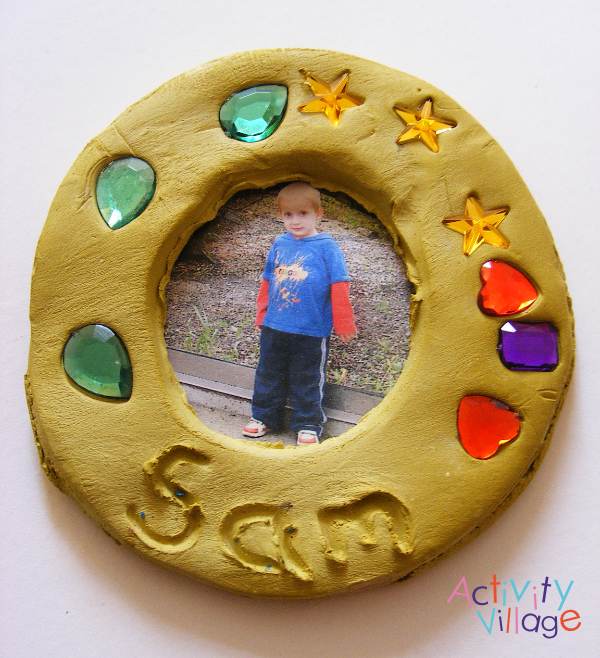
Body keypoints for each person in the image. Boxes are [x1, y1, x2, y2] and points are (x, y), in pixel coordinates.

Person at [242, 182, 357, 446]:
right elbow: (267, 280)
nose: (295, 221)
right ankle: (264, 417)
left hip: (311, 330)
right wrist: (262, 315)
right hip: (275, 325)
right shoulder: (280, 243)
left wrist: (344, 322)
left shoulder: (327, 246)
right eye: (288, 215)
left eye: (303, 213)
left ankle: (308, 423)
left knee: (307, 377)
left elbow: (339, 284)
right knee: (268, 373)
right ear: (281, 216)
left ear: (319, 213)